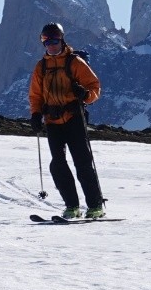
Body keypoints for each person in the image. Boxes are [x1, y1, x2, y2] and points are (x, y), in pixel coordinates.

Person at [28, 22, 106, 219]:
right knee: (58, 164)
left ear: (62, 40)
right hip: (52, 122)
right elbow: (35, 95)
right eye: (46, 42)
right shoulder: (41, 67)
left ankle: (95, 206)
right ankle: (72, 206)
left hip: (74, 118)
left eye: (54, 41)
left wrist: (85, 95)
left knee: (83, 162)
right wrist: (36, 114)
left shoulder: (75, 62)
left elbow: (94, 87)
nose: (51, 45)